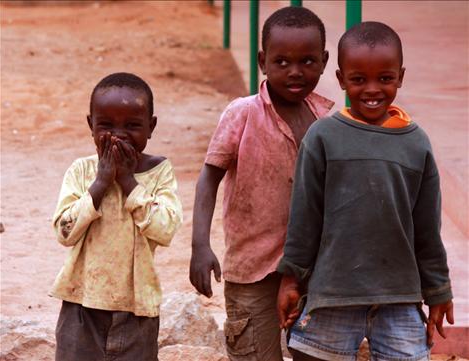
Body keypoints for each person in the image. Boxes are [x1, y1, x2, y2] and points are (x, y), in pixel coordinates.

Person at [277, 21, 454, 361]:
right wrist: (291, 280)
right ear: (342, 79)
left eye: (385, 79)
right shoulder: (323, 137)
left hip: (399, 295)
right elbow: (304, 217)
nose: (372, 90)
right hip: (333, 292)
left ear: (400, 77)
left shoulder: (416, 144)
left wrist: (438, 290)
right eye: (358, 80)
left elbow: (427, 228)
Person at [189, 6, 333, 360]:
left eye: (308, 62)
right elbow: (209, 179)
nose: (295, 72)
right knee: (254, 352)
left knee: (313, 353)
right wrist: (200, 245)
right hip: (251, 271)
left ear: (325, 61)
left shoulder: (326, 121)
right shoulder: (243, 113)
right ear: (262, 61)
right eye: (281, 62)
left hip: (310, 271)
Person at [50, 72, 183, 361]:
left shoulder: (160, 173)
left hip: (136, 309)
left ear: (151, 127)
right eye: (106, 125)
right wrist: (99, 184)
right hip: (81, 304)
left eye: (133, 125)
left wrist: (128, 182)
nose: (119, 135)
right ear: (91, 125)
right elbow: (64, 232)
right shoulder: (81, 172)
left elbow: (166, 228)